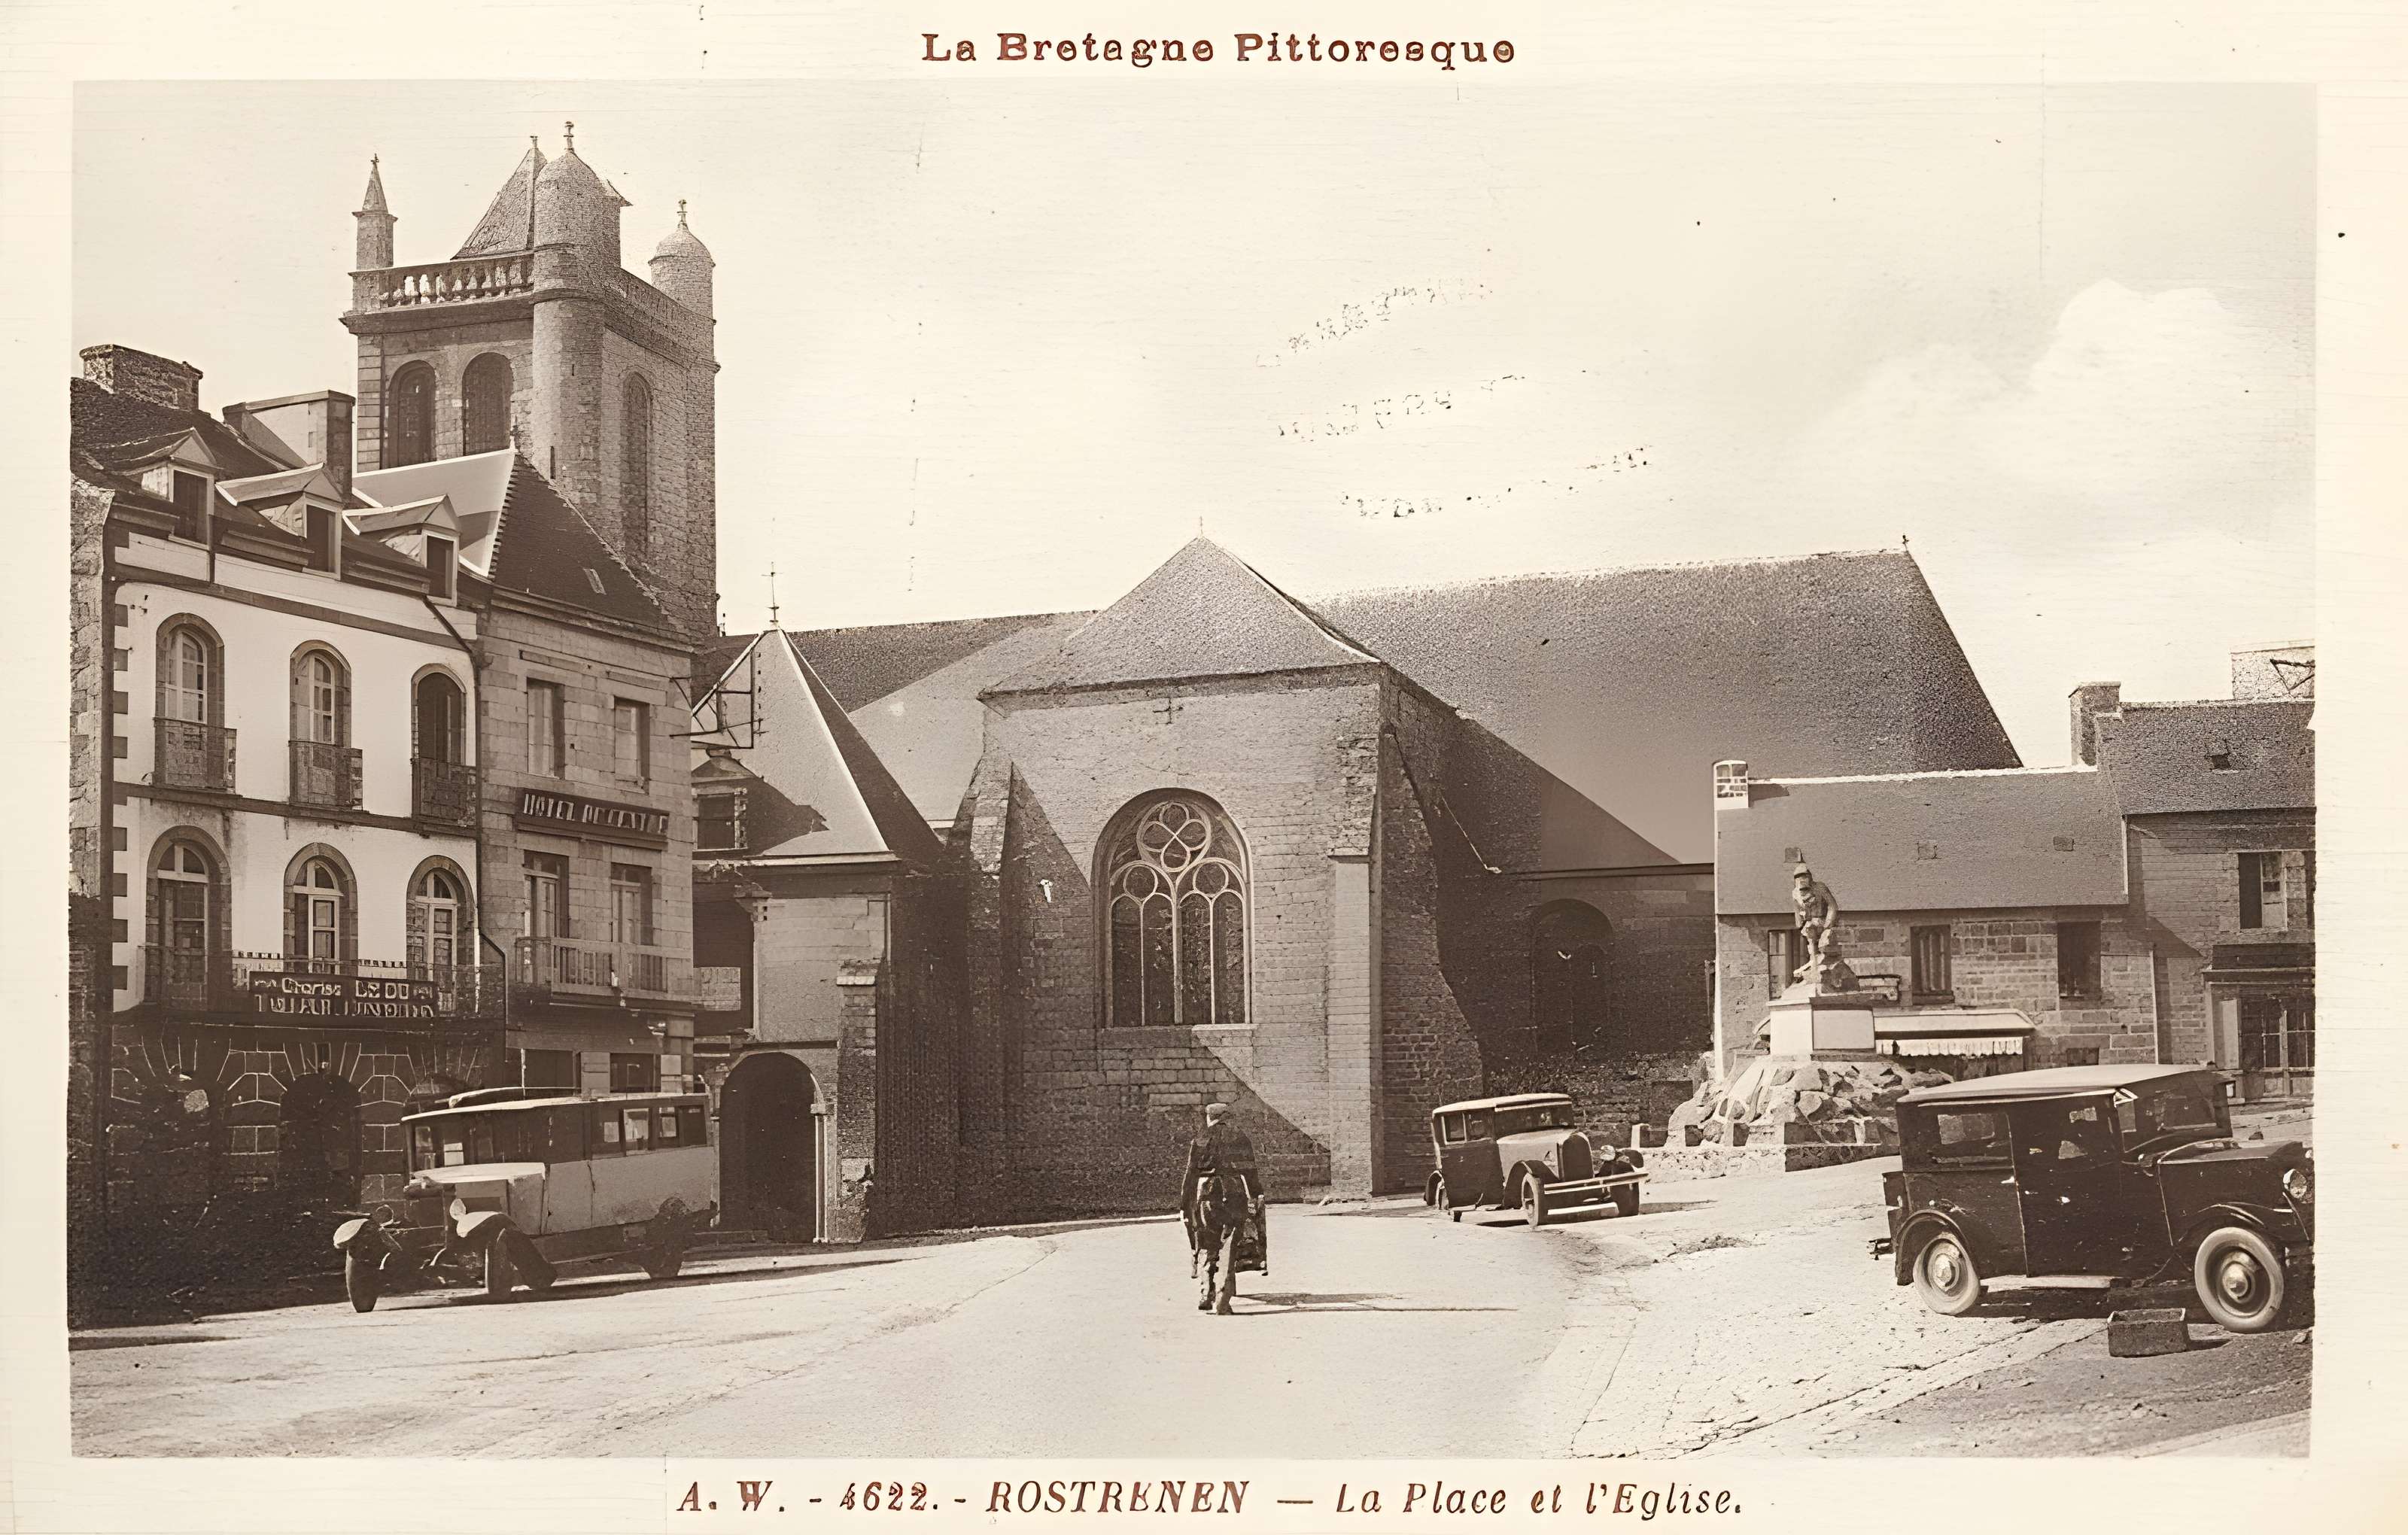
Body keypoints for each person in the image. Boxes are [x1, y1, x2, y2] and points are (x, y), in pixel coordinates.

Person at [1179, 1102, 1259, 1315]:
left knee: (1208, 1243)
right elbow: (1250, 1171)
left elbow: (1190, 1174)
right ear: (1227, 1117)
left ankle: (1206, 1293)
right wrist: (1256, 1194)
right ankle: (1223, 1300)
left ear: (1209, 1117)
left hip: (1206, 1193)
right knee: (1229, 1245)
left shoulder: (1200, 1139)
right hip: (1234, 1192)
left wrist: (1184, 1205)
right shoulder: (1240, 1138)